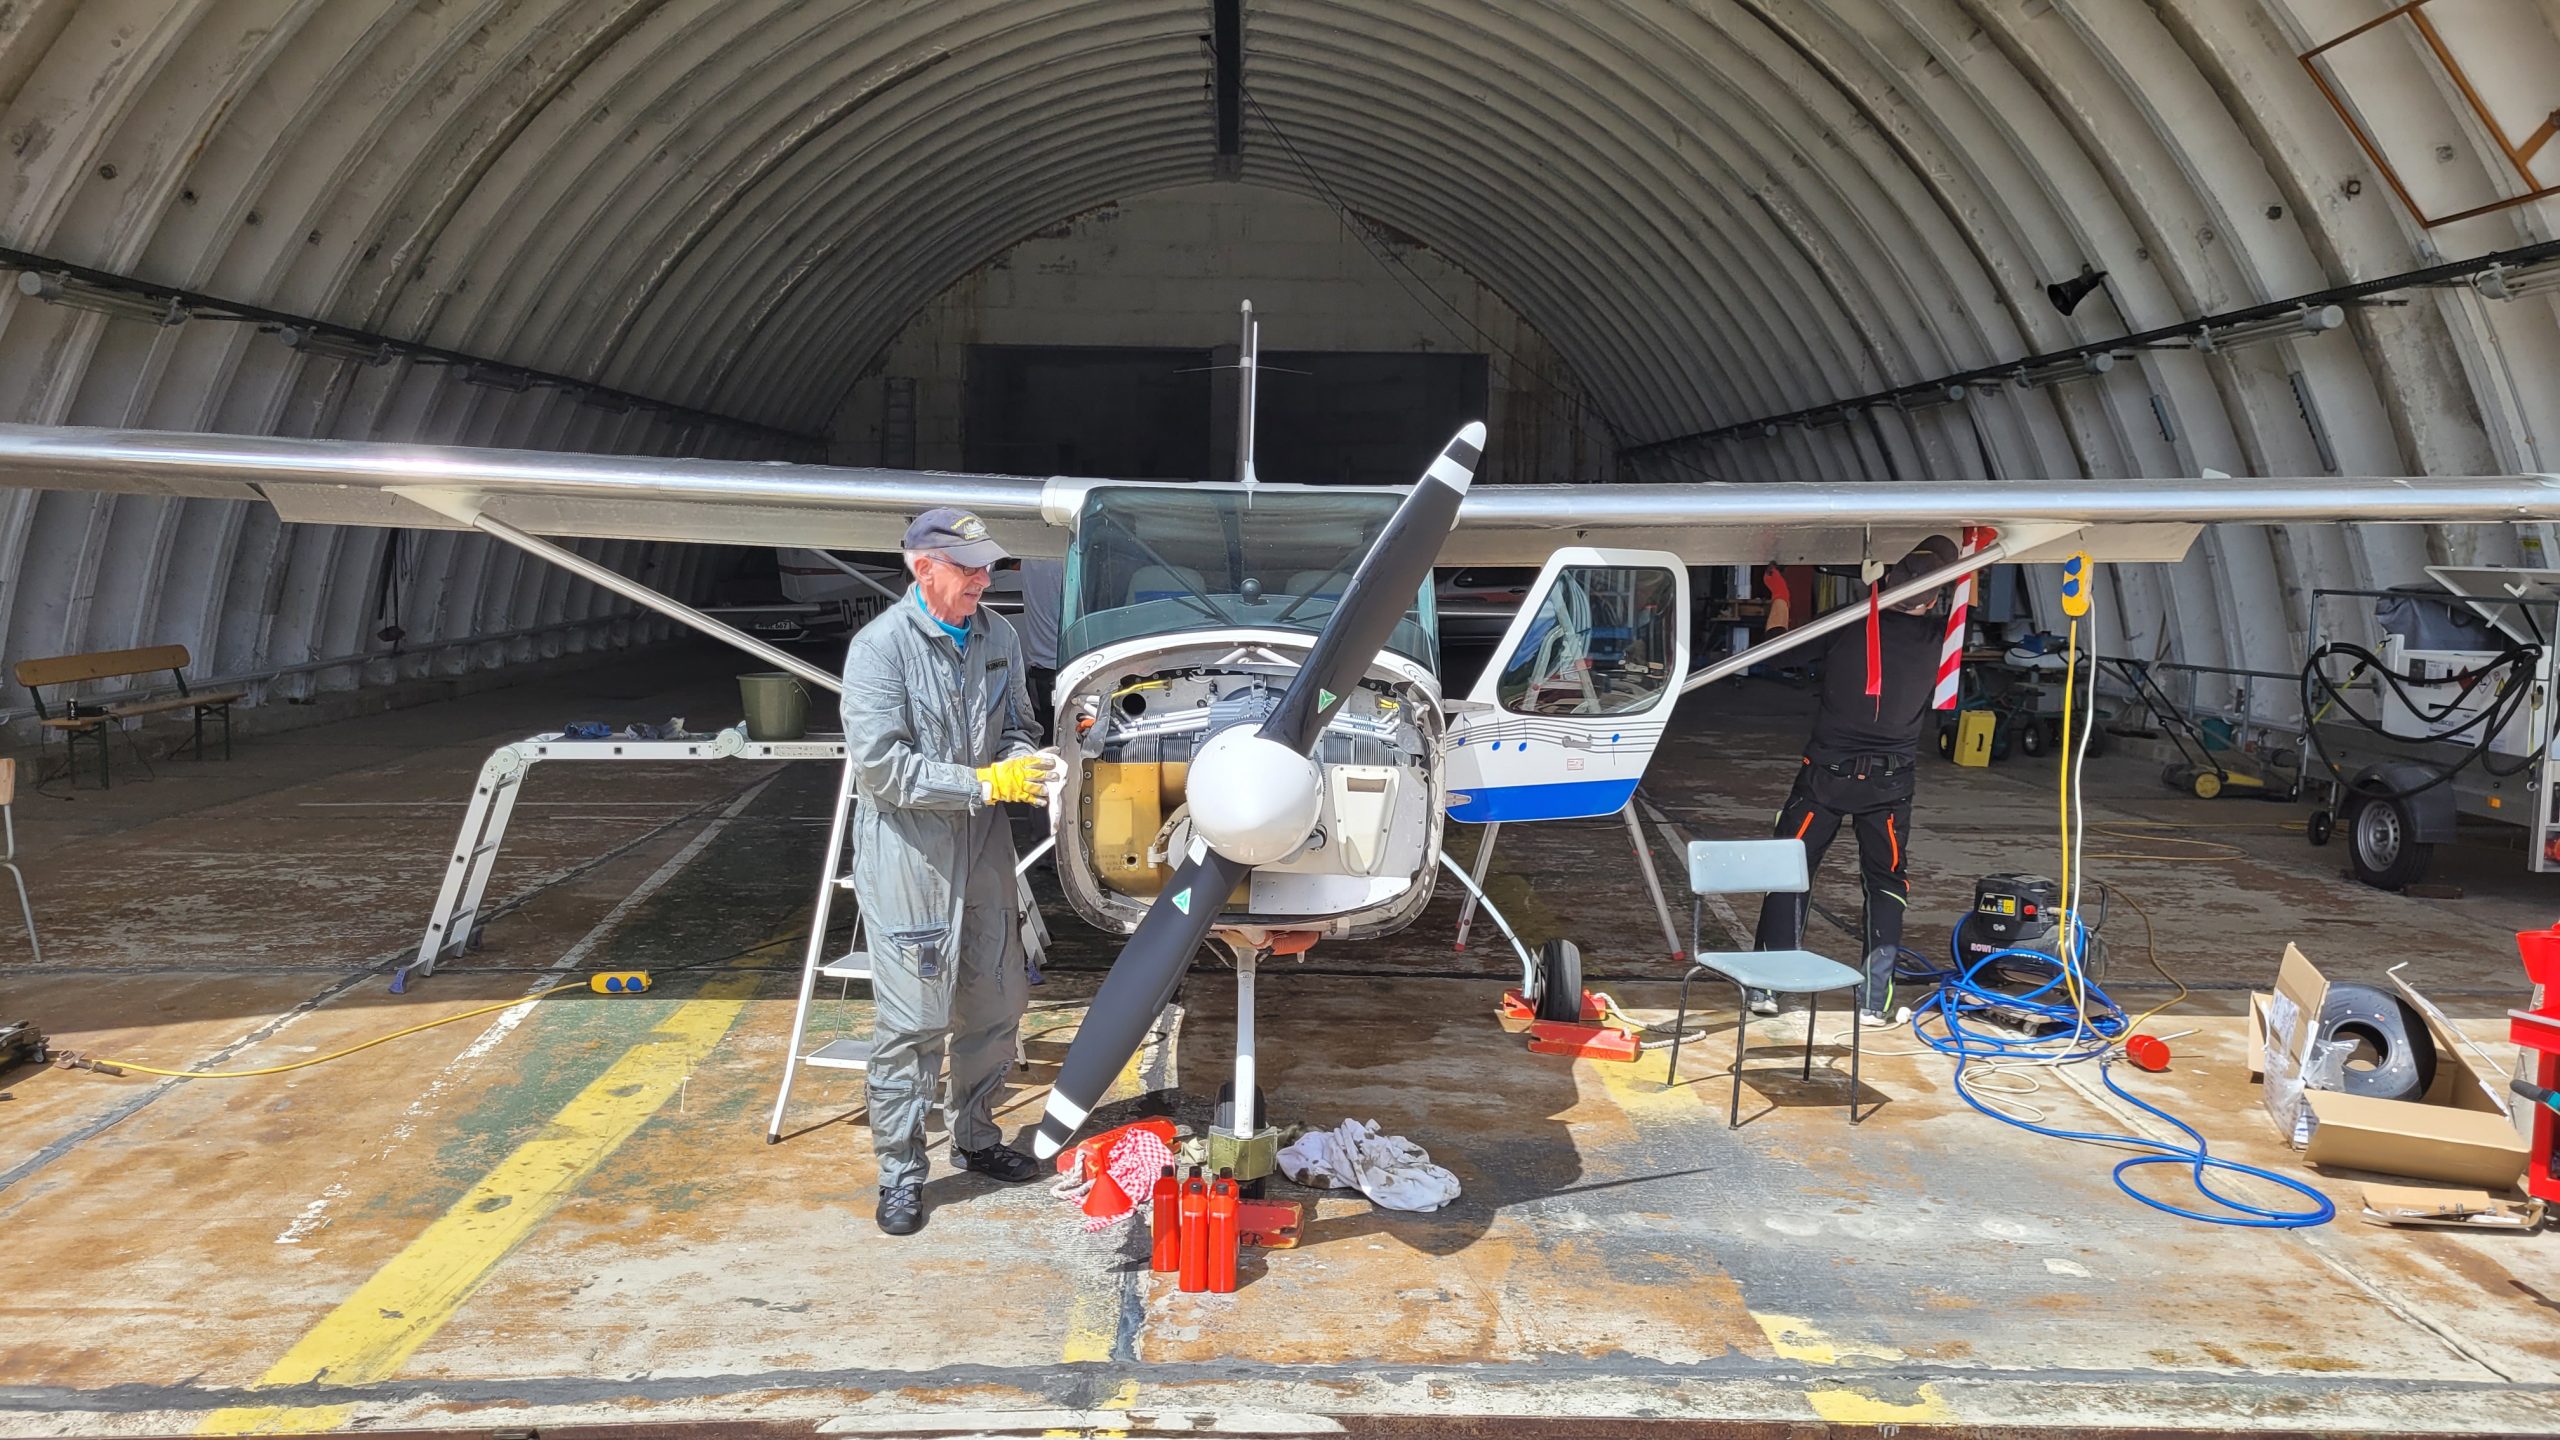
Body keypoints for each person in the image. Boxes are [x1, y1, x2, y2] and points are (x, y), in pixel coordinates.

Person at [839, 506, 1059, 1236]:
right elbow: (882, 768)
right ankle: (902, 1175)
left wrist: (1025, 761)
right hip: (911, 852)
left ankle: (976, 1137)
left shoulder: (999, 636)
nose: (983, 581)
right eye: (968, 569)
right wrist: (983, 784)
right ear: (922, 567)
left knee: (996, 1002)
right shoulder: (880, 649)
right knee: (915, 1023)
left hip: (984, 847)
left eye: (987, 567)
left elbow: (1020, 725)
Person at [1751, 535, 1959, 1020]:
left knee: (1788, 873)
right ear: (1934, 599)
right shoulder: (1943, 639)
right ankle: (1874, 1002)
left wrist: (1780, 597)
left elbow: (1773, 653)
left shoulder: (1845, 622)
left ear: (1885, 581)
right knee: (1886, 884)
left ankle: (1767, 988)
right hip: (1890, 785)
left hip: (1825, 778)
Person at [1015, 556, 1067, 734]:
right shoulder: (1070, 561)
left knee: (1046, 739)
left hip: (1040, 670)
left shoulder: (1029, 560)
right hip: (1071, 666)